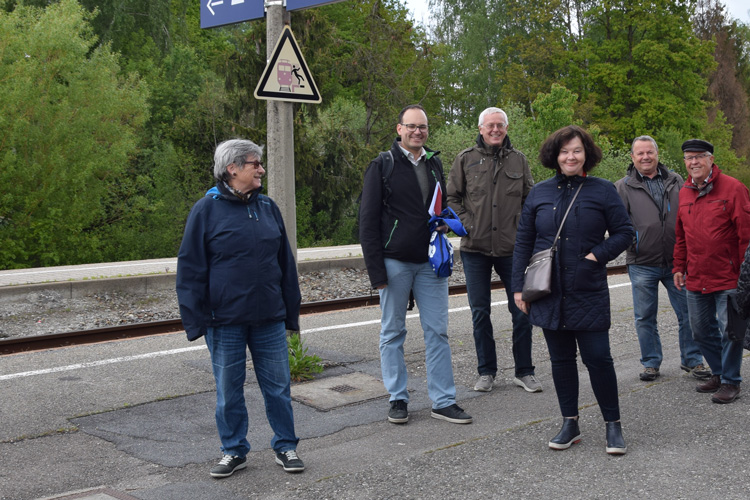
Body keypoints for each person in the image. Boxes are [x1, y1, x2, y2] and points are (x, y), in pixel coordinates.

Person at [176, 139, 305, 478]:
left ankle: (286, 445)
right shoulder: (206, 209)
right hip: (224, 320)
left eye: (259, 163)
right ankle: (233, 450)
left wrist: (291, 313)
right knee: (229, 390)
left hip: (269, 318)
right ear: (232, 169)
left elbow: (285, 265)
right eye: (254, 163)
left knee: (278, 387)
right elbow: (190, 269)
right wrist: (196, 320)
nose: (261, 168)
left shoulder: (268, 208)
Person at [511, 125, 633, 455]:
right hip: (549, 293)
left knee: (598, 359)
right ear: (555, 155)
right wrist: (517, 289)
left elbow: (625, 232)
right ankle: (570, 423)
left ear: (586, 155)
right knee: (561, 361)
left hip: (588, 291)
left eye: (576, 150)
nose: (570, 156)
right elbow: (523, 242)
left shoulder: (603, 190)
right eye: (564, 151)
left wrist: (597, 255)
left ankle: (613, 426)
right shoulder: (539, 193)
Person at [359, 104, 472, 425]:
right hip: (394, 262)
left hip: (429, 263)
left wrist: (445, 223)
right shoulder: (382, 165)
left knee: (438, 332)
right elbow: (366, 222)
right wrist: (376, 272)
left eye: (422, 127)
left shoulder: (434, 163)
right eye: (411, 127)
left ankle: (444, 400)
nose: (417, 132)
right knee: (392, 332)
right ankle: (398, 398)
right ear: (399, 129)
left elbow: (439, 205)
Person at [447, 107, 540, 394]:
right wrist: (468, 224)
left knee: (521, 310)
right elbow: (452, 197)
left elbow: (530, 200)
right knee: (480, 312)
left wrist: (524, 231)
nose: (495, 129)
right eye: (490, 125)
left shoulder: (519, 160)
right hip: (475, 248)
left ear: (506, 128)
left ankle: (524, 371)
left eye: (500, 125)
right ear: (481, 128)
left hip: (511, 248)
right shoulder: (465, 159)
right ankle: (486, 371)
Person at [614, 136, 708, 382]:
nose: (645, 157)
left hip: (677, 262)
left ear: (657, 154)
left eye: (650, 152)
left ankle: (692, 360)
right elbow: (618, 225)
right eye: (640, 153)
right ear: (632, 157)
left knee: (688, 313)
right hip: (642, 262)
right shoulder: (622, 187)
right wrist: (633, 242)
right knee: (645, 316)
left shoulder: (677, 180)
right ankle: (651, 363)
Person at [673, 139, 750, 404]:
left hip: (729, 276)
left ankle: (731, 381)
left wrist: (745, 274)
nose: (693, 162)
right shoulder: (684, 192)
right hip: (696, 276)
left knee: (730, 330)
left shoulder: (733, 188)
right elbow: (681, 235)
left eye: (698, 157)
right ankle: (718, 372)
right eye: (688, 158)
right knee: (699, 331)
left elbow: (746, 235)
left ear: (710, 159)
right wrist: (679, 267)